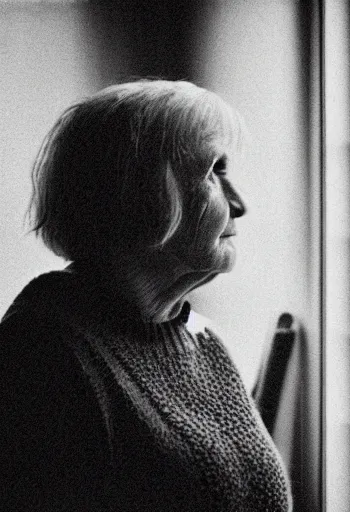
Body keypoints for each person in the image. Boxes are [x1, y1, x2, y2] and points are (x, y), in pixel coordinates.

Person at [0, 80, 292, 511]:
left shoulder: (200, 336)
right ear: (143, 193)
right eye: (214, 171)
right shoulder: (41, 350)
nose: (239, 204)